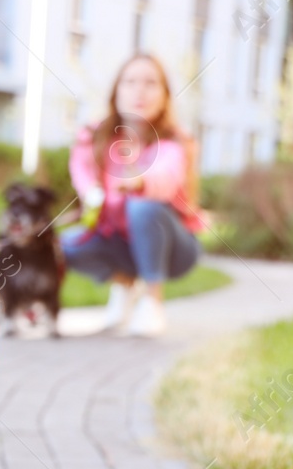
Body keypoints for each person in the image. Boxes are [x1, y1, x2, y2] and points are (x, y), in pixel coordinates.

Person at [62, 54, 205, 337]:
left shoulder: (176, 140)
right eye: (130, 82)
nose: (139, 90)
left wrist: (141, 182)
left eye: (151, 83)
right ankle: (124, 285)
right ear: (116, 92)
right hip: (121, 241)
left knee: (143, 208)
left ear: (165, 96)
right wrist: (91, 192)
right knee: (66, 244)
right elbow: (81, 168)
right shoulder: (95, 135)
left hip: (174, 248)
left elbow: (168, 174)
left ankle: (153, 303)